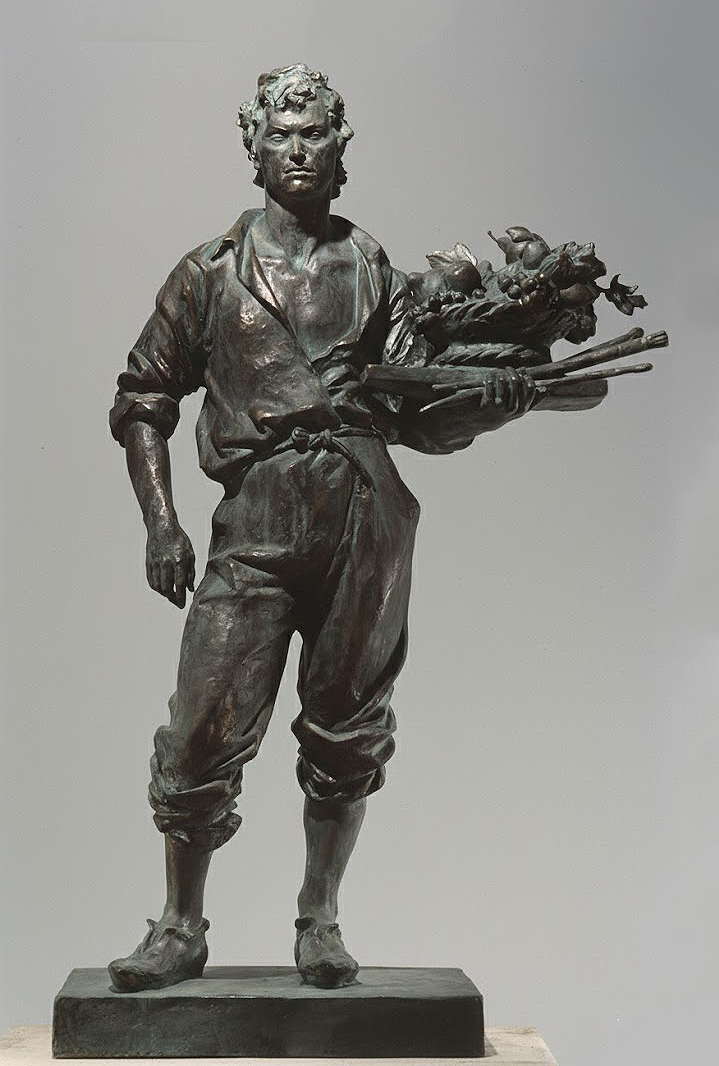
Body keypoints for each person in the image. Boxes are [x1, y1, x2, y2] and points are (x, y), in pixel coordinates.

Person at [108, 64, 535, 992]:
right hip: (256, 521)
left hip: (363, 518)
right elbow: (144, 397)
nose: (297, 149)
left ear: (340, 151)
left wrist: (487, 404)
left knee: (347, 729)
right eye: (281, 134)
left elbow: (416, 420)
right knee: (200, 731)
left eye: (314, 135)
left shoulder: (373, 270)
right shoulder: (210, 272)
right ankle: (180, 925)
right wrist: (161, 524)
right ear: (255, 150)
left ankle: (320, 919)